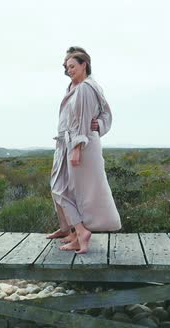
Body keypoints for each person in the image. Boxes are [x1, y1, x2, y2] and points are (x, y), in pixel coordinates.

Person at [48, 47, 121, 254]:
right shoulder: (76, 87)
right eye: (66, 67)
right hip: (69, 144)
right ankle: (70, 231)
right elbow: (101, 114)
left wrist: (78, 148)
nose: (68, 70)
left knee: (64, 188)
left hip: (80, 145)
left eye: (72, 66)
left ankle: (81, 232)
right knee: (65, 187)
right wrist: (97, 123)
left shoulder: (85, 88)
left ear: (84, 64)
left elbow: (84, 121)